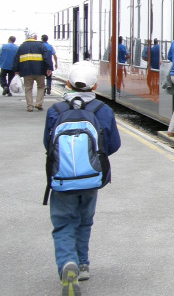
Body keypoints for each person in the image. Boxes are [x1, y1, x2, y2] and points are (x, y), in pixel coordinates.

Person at [43, 61, 121, 295]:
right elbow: (113, 145)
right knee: (84, 220)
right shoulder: (103, 110)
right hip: (91, 178)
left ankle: (68, 263)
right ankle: (83, 264)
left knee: (64, 222)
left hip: (62, 179)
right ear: (94, 84)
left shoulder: (56, 110)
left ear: (67, 83)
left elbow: (48, 144)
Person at [13, 32, 53, 112]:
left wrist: (16, 70)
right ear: (35, 37)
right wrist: (49, 68)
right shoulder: (41, 45)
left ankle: (30, 106)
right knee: (41, 87)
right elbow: (46, 57)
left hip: (26, 71)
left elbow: (16, 59)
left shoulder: (22, 46)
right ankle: (39, 103)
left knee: (28, 88)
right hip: (40, 70)